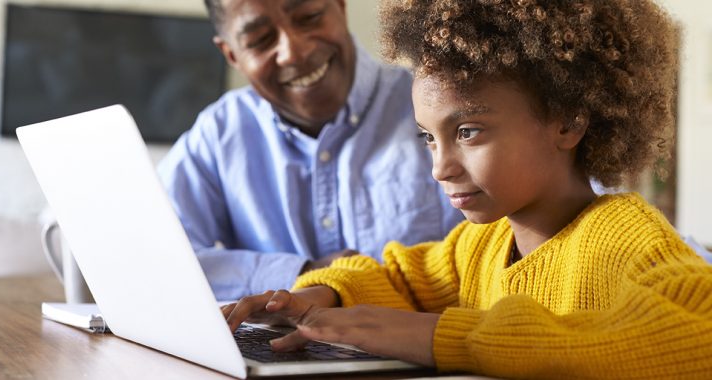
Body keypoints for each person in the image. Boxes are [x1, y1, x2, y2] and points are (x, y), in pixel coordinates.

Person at [221, 0, 712, 378]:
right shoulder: (480, 244)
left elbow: (699, 335)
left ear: (567, 120)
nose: (440, 167)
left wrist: (444, 335)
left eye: (468, 132)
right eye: (428, 138)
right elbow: (400, 278)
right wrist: (323, 294)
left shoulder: (622, 236)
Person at [157, 0, 463, 300]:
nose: (295, 52)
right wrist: (300, 272)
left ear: (340, 6)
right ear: (232, 55)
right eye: (260, 40)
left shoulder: (440, 110)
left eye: (309, 17)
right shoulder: (220, 134)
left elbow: (493, 253)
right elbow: (154, 253)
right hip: (273, 347)